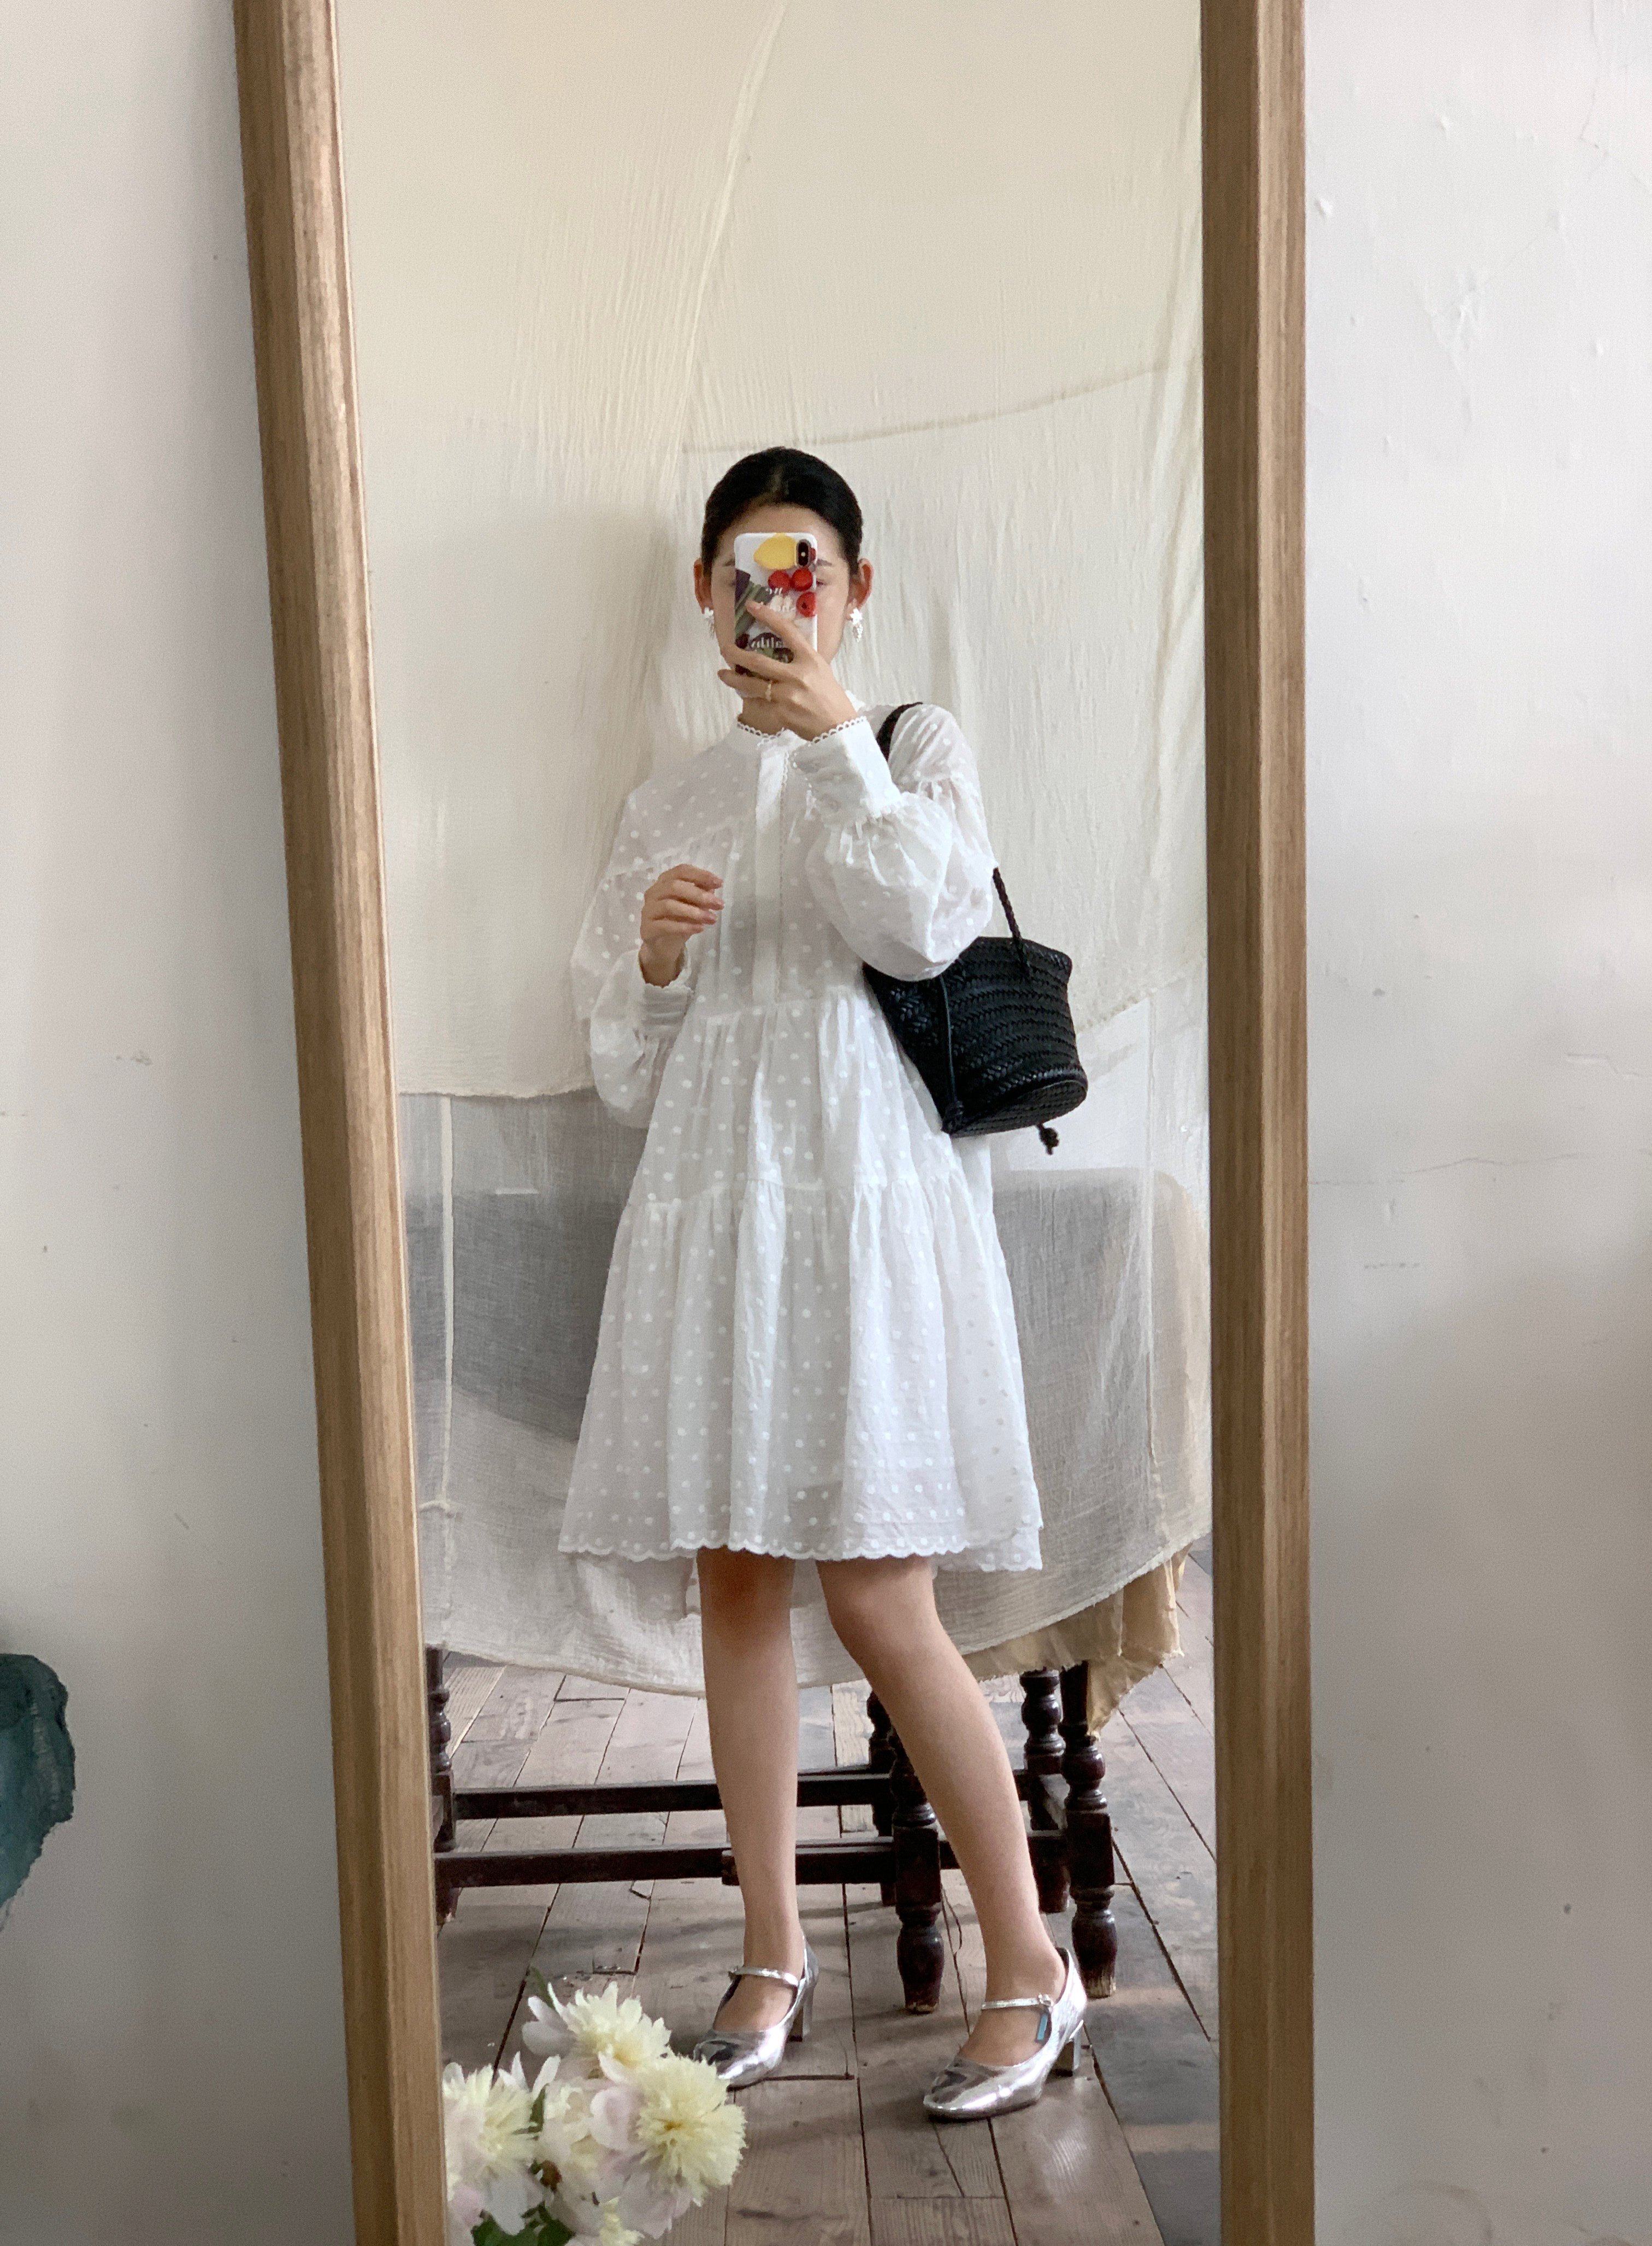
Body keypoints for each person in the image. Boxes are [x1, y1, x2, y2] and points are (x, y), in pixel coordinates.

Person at [559, 447, 1085, 2118]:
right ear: (704, 594)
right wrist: (656, 958)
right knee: (733, 1581)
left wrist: (840, 739)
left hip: (865, 1215)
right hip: (720, 1207)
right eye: (745, 571)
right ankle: (770, 1953)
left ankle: (1031, 1964)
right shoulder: (670, 799)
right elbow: (630, 1074)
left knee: (878, 1595)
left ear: (852, 591)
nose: (773, 599)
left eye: (805, 571)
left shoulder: (913, 747)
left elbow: (926, 930)